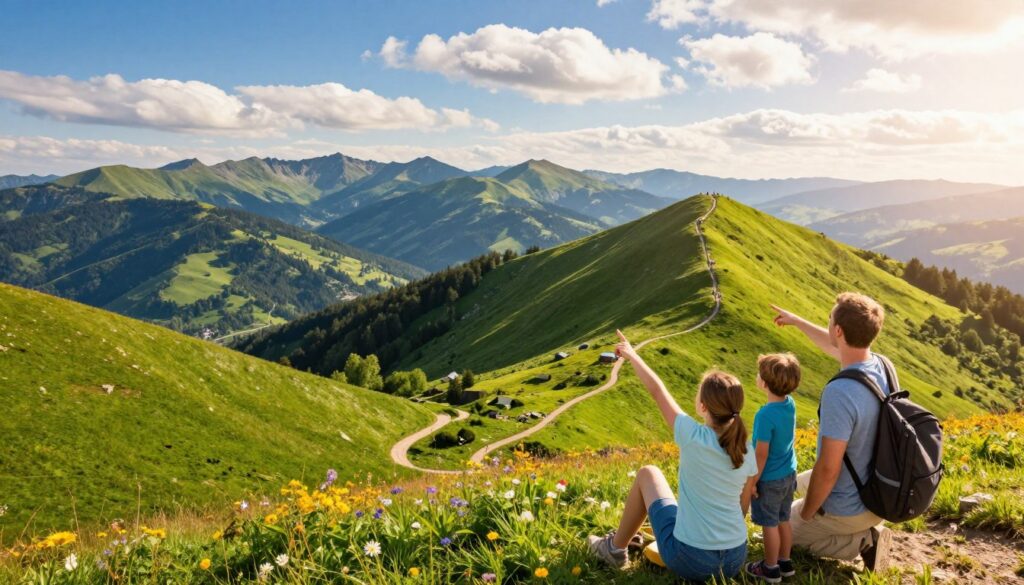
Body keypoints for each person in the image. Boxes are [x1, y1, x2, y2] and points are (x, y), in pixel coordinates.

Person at [586, 330, 757, 581]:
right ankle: (620, 544)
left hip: (692, 561)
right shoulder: (746, 448)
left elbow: (657, 390)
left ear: (703, 407)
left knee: (649, 473)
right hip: (734, 558)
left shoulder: (692, 435)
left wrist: (632, 354)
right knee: (681, 508)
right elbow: (742, 509)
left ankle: (613, 550)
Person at [770, 293, 892, 571]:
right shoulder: (880, 365)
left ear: (838, 330)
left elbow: (828, 469)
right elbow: (835, 346)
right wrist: (797, 322)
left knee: (779, 534)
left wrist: (809, 512)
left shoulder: (840, 392)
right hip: (877, 486)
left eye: (829, 320)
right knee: (783, 485)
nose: (828, 326)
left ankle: (864, 541)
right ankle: (851, 527)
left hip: (850, 503)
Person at [745, 353, 801, 583]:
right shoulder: (790, 404)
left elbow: (761, 454)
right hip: (789, 473)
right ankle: (784, 562)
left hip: (770, 478)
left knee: (769, 524)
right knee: (783, 519)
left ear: (765, 383)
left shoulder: (765, 415)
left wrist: (753, 481)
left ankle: (769, 568)